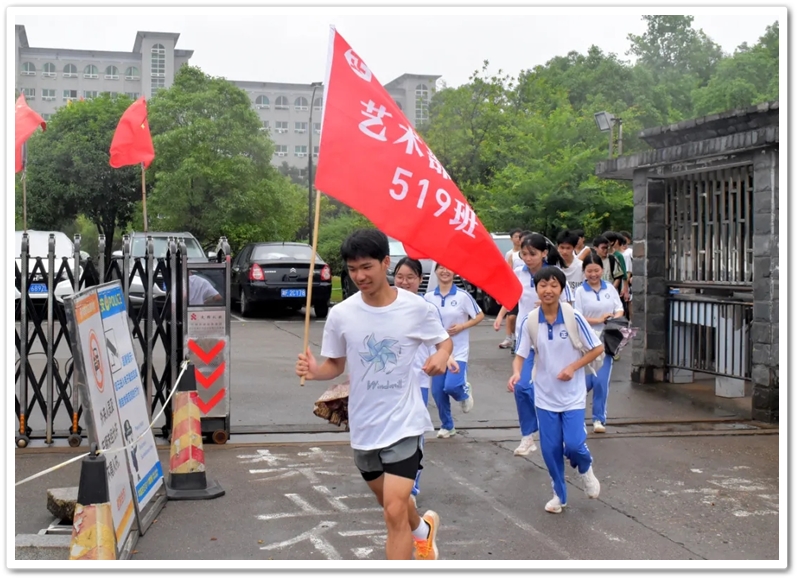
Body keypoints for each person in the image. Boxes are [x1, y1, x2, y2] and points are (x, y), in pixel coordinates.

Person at [295, 229, 451, 560]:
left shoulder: (415, 308)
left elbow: (443, 341)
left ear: (385, 263)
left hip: (404, 422)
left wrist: (441, 355)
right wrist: (314, 370)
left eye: (366, 267)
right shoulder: (342, 314)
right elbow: (335, 364)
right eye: (353, 269)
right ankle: (422, 531)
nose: (360, 276)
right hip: (364, 426)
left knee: (393, 512)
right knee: (393, 505)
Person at [509, 266, 603, 514]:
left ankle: (585, 468)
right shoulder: (530, 321)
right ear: (536, 289)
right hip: (545, 396)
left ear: (561, 289)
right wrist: (517, 373)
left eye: (553, 285)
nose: (548, 290)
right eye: (543, 285)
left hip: (572, 395)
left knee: (573, 444)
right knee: (550, 451)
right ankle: (559, 495)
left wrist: (573, 367)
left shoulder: (573, 317)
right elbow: (520, 354)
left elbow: (597, 348)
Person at [494, 234, 572, 456]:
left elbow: (569, 305)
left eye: (532, 254)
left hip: (552, 340)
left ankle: (560, 433)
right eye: (524, 254)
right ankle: (528, 435)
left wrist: (550, 303)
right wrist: (500, 316)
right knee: (521, 386)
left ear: (544, 253)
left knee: (553, 388)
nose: (527, 258)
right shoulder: (518, 273)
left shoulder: (555, 276)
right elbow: (511, 297)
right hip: (526, 338)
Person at [392, 257, 459, 499]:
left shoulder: (425, 308)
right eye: (400, 277)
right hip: (389, 383)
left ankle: (412, 485)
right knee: (391, 434)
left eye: (410, 277)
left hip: (417, 380)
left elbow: (440, 341)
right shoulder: (384, 306)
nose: (404, 282)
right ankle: (392, 479)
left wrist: (447, 358)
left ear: (420, 280)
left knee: (413, 434)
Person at [424, 262, 484, 438]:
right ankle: (447, 425)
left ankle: (463, 392)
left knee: (451, 386)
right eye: (441, 268)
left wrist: (462, 326)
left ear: (455, 271)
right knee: (437, 391)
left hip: (458, 350)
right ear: (435, 271)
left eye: (448, 267)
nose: (445, 271)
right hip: (436, 351)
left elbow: (479, 315)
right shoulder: (428, 297)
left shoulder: (463, 296)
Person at [573, 253, 624, 433]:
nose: (593, 274)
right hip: (586, 341)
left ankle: (598, 419)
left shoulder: (609, 288)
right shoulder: (580, 291)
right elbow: (576, 316)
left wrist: (613, 318)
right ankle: (573, 410)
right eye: (589, 271)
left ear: (602, 270)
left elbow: (619, 308)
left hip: (607, 339)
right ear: (584, 272)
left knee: (601, 381)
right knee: (586, 380)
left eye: (596, 270)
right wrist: (598, 320)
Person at [499, 228, 525, 349]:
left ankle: (518, 339)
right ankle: (510, 337)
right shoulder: (511, 255)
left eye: (520, 237)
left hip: (526, 291)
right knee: (511, 316)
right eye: (516, 236)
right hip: (515, 290)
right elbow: (507, 273)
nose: (518, 239)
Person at [619, 230, 634, 323]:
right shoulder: (617, 253)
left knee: (629, 303)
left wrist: (625, 286)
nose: (624, 243)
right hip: (620, 281)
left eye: (625, 240)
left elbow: (628, 271)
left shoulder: (629, 252)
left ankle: (631, 322)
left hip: (627, 282)